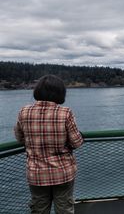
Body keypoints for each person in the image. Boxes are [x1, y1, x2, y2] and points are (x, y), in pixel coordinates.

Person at [14, 75, 84, 214]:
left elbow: (19, 137)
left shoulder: (24, 111)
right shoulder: (65, 113)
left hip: (36, 173)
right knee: (65, 208)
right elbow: (76, 142)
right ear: (60, 93)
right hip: (62, 171)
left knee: (39, 209)